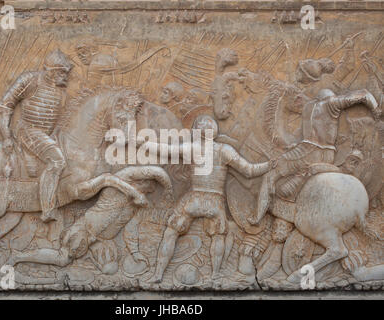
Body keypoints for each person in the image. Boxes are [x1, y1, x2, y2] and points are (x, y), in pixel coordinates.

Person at [145, 115, 274, 282]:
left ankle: (158, 274)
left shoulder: (193, 148)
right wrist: (269, 165)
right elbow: (249, 171)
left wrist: (140, 143)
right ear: (214, 132)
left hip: (194, 199)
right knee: (218, 237)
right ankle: (215, 275)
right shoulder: (224, 150)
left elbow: (164, 150)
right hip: (214, 201)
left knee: (171, 233)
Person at [251, 88, 380, 225]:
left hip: (308, 152)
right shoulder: (332, 103)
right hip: (325, 154)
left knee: (270, 175)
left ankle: (258, 217)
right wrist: (375, 109)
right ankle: (290, 193)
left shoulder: (309, 106)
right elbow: (364, 94)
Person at [0, 49, 73, 223]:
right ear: (51, 72)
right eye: (62, 72)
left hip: (46, 135)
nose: (66, 77)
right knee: (57, 161)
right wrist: (6, 135)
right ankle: (47, 209)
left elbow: (58, 122)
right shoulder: (29, 80)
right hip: (27, 131)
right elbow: (5, 106)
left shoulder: (61, 92)